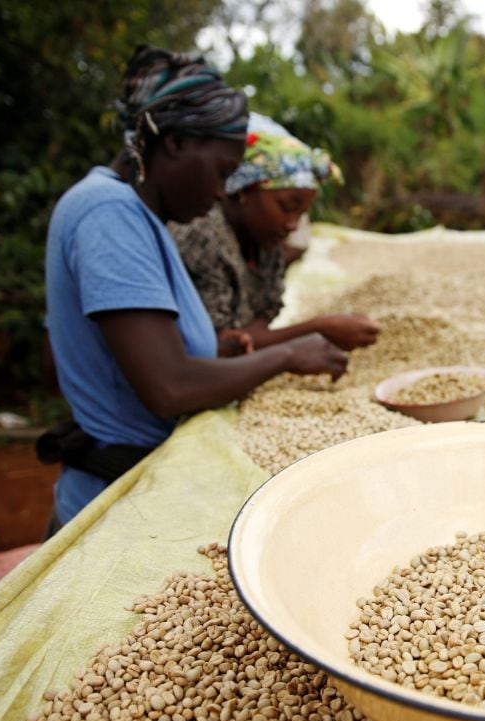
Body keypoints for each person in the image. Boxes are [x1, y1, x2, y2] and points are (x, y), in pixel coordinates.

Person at [41, 45, 348, 530]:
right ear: (177, 142)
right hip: (110, 503)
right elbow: (169, 387)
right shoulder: (108, 213)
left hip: (139, 485)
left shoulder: (140, 218)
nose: (220, 192)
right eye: (223, 172)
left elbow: (144, 353)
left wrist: (217, 348)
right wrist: (286, 355)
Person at [170, 113, 380, 356]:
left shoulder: (264, 241)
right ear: (245, 190)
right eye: (287, 207)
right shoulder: (202, 235)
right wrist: (318, 329)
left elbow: (256, 326)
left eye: (302, 213)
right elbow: (216, 347)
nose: (293, 224)